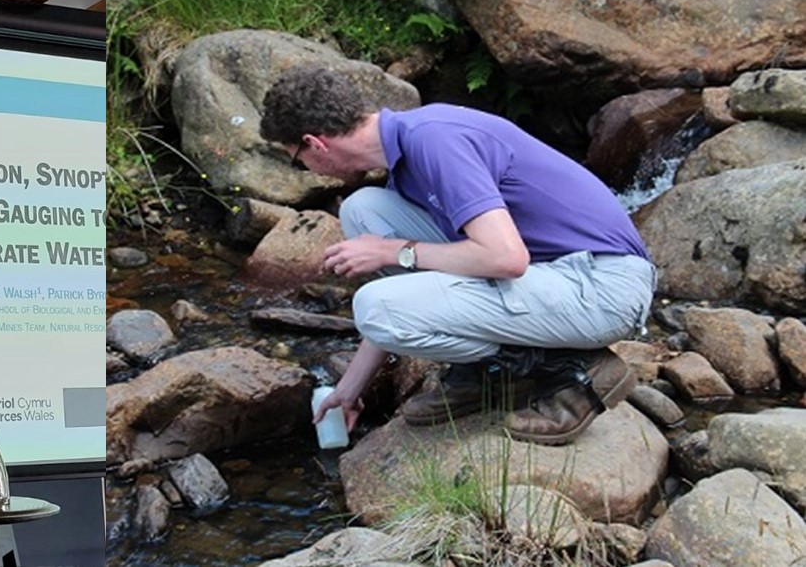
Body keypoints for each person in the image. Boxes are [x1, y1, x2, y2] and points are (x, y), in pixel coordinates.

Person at [260, 66, 654, 445]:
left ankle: (572, 370)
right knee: (364, 211)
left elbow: (505, 259)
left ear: (315, 143)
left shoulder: (435, 140)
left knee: (374, 304)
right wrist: (349, 388)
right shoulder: (409, 152)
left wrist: (392, 251)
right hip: (558, 274)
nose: (309, 171)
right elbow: (419, 287)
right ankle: (492, 372)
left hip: (601, 288)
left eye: (299, 160)